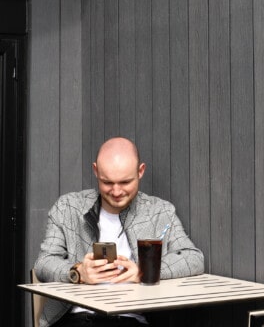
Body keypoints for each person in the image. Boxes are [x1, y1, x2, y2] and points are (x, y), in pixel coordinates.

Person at [33, 137, 204, 327]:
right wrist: (78, 272)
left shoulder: (160, 212)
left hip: (132, 319)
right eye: (107, 182)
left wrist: (144, 271)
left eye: (125, 182)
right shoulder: (68, 207)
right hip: (79, 318)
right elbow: (44, 263)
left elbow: (193, 258)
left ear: (141, 171)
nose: (116, 191)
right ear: (96, 171)